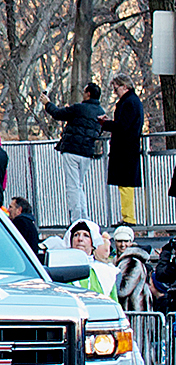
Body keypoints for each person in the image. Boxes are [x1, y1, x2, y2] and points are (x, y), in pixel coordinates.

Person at [43, 83, 106, 224]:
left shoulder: (79, 108)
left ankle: (76, 219)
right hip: (87, 152)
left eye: (84, 91)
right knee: (79, 185)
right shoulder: (101, 112)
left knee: (72, 186)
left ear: (88, 93)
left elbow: (58, 114)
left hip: (72, 150)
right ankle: (85, 217)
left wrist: (47, 104)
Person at [101, 74, 143, 226]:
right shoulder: (132, 101)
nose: (114, 91)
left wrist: (106, 124)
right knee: (125, 184)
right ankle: (127, 217)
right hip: (128, 148)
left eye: (116, 88)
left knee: (125, 184)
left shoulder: (129, 103)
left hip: (125, 148)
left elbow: (122, 126)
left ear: (125, 86)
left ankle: (129, 218)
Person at [65, 219, 118, 299]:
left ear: (93, 243)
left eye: (86, 235)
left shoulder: (106, 272)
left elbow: (114, 303)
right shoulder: (61, 268)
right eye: (76, 235)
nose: (80, 239)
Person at [112, 224, 156, 312]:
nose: (123, 245)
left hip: (134, 310)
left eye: (126, 241)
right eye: (119, 241)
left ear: (131, 242)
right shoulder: (118, 260)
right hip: (129, 310)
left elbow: (123, 290)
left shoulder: (133, 262)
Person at [5, 196, 45, 262]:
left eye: (11, 207)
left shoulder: (19, 222)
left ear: (19, 210)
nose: (8, 210)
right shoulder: (29, 222)